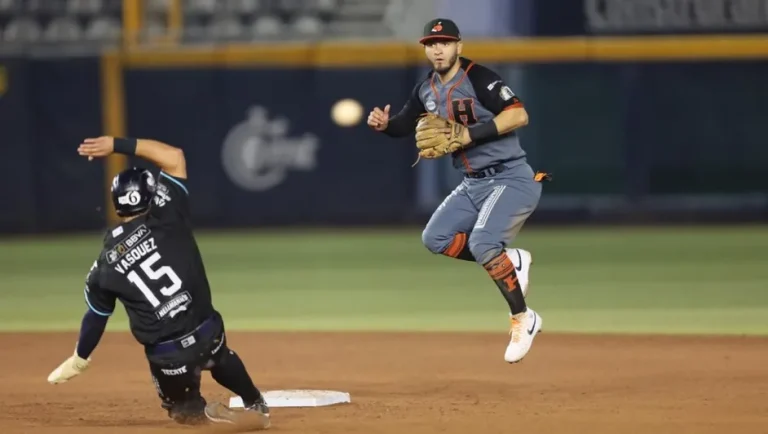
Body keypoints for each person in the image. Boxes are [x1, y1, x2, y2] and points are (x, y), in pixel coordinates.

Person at [47, 136, 271, 429]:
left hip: (169, 355)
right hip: (208, 328)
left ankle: (218, 421)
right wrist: (116, 144)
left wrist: (80, 358)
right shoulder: (169, 215)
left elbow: (97, 316)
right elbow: (174, 155)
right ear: (151, 196)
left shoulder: (104, 266)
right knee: (220, 357)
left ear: (117, 206)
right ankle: (255, 404)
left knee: (185, 415)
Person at [367, 19, 548, 363]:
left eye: (445, 43)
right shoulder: (425, 90)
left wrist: (469, 135)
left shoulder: (479, 78)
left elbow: (519, 115)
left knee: (483, 243)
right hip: (473, 183)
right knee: (435, 238)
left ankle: (524, 318)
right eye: (432, 44)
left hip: (510, 178)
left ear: (458, 47)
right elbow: (405, 123)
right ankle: (510, 261)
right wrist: (385, 126)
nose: (438, 49)